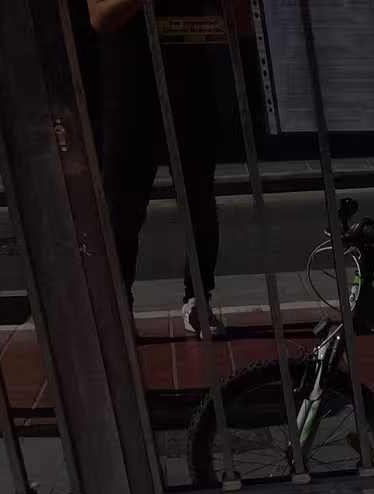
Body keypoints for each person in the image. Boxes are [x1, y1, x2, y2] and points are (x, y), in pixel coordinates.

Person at [87, 0, 229, 337]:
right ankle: (119, 305)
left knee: (199, 201)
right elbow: (100, 18)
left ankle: (198, 299)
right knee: (122, 206)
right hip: (131, 86)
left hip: (192, 82)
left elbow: (238, 21)